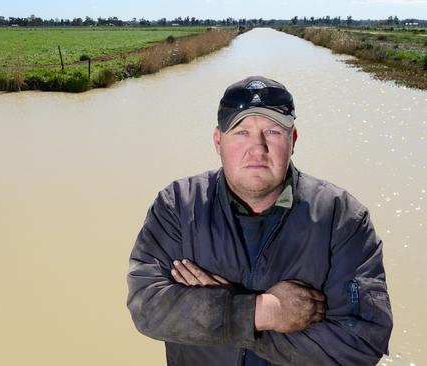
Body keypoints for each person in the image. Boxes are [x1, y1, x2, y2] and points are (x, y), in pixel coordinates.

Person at [126, 76, 393, 366]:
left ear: (292, 141)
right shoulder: (178, 206)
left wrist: (229, 317)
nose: (258, 148)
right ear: (218, 141)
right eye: (241, 132)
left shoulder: (342, 218)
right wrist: (264, 312)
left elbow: (362, 342)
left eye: (273, 131)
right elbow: (148, 307)